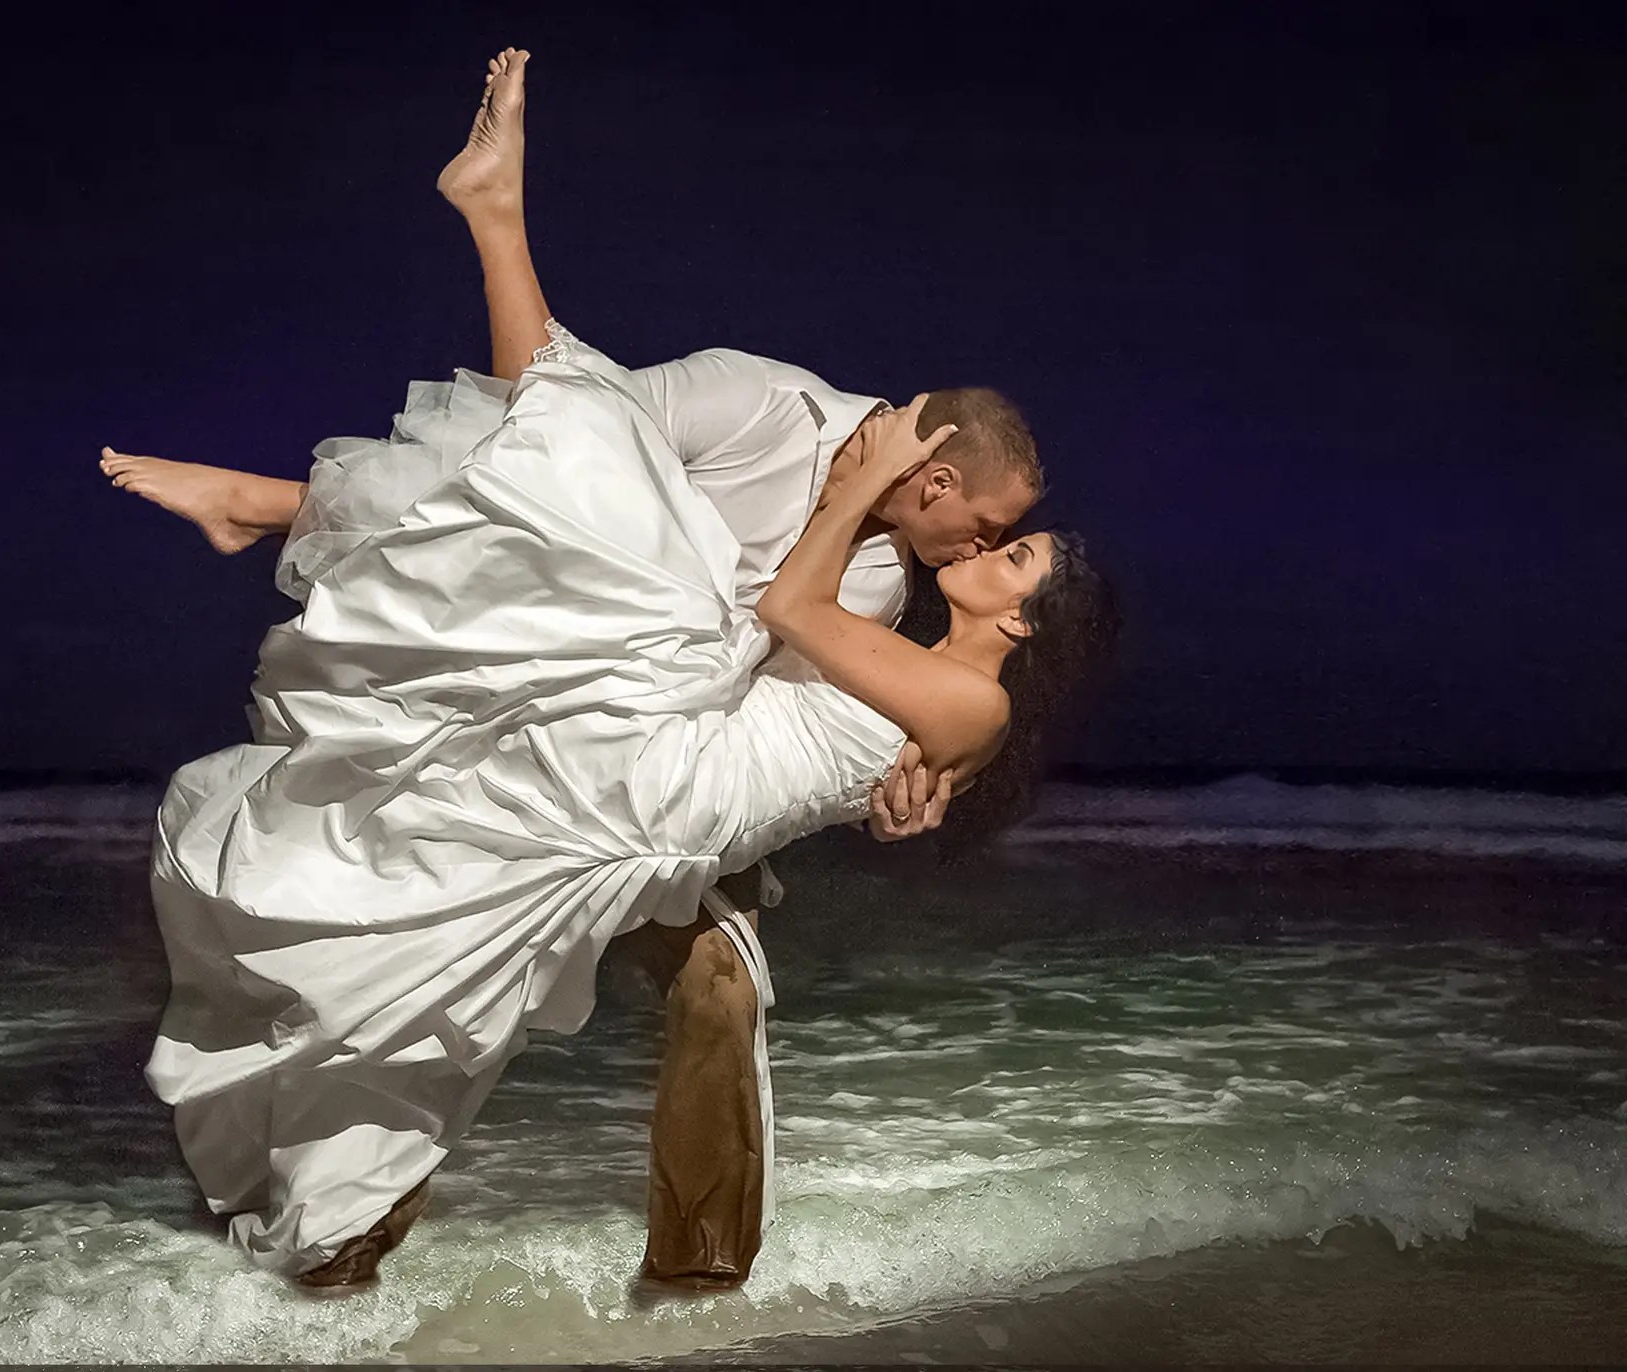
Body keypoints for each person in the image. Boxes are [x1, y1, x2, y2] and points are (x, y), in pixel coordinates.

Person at [102, 50, 1116, 1292]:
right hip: (583, 694)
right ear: (940, 478)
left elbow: (827, 690)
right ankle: (346, 1235)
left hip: (670, 780)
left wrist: (911, 787)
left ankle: (695, 1284)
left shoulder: (885, 586)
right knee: (445, 909)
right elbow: (524, 450)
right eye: (987, 529)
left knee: (706, 988)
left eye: (1004, 553)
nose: (974, 550)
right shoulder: (758, 403)